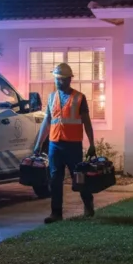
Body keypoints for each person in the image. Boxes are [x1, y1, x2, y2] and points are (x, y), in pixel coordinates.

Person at [32, 62, 97, 223]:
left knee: (79, 177)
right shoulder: (52, 97)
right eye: (56, 79)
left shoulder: (79, 98)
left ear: (69, 80)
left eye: (61, 79)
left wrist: (92, 144)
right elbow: (47, 121)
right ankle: (56, 213)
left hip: (73, 144)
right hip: (55, 144)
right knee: (55, 179)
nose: (58, 82)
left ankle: (88, 203)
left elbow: (87, 122)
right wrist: (39, 144)